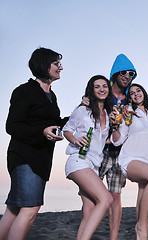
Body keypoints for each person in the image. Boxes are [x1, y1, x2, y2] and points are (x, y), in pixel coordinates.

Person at [0, 47, 66, 239]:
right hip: (24, 157)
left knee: (13, 210)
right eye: (56, 64)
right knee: (30, 209)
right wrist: (41, 132)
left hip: (41, 159)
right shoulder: (24, 91)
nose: (60, 68)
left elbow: (53, 123)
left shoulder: (51, 96)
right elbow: (12, 126)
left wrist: (80, 111)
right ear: (44, 65)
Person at [63, 75, 114, 239]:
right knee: (105, 199)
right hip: (79, 160)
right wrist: (75, 139)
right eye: (97, 86)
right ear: (91, 90)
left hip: (94, 165)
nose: (101, 89)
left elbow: (104, 140)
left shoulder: (107, 113)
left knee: (89, 208)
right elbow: (67, 129)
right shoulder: (82, 109)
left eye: (104, 86)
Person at [111, 83, 148, 240]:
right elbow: (117, 141)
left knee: (142, 205)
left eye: (138, 91)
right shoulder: (128, 114)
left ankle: (141, 234)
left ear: (143, 92)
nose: (136, 94)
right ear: (130, 98)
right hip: (131, 160)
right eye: (132, 93)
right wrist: (114, 127)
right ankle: (140, 224)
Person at [99, 53, 136, 240]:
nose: (128, 77)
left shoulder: (132, 98)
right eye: (124, 73)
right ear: (115, 73)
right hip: (98, 153)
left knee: (115, 197)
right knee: (91, 199)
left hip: (120, 154)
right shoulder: (102, 94)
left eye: (131, 74)